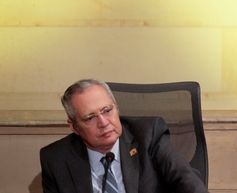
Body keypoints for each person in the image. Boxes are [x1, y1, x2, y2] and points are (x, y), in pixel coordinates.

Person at [40, 79, 208, 193]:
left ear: (117, 108)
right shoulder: (56, 159)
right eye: (90, 118)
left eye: (107, 111)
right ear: (74, 126)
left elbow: (187, 180)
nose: (104, 122)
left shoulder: (148, 134)